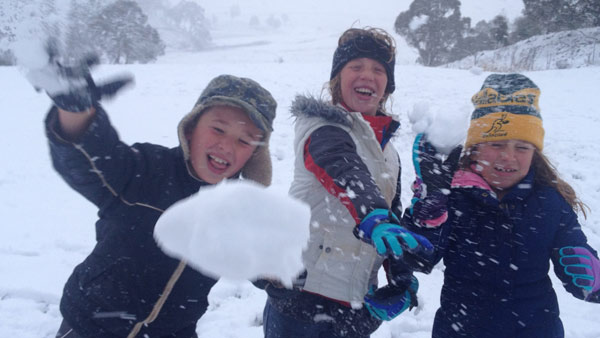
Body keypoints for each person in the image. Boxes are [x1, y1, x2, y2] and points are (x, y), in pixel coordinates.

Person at [25, 45, 277, 338]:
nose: (226, 146)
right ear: (191, 128)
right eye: (218, 129)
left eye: (245, 141)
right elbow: (89, 159)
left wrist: (280, 275)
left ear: (256, 155)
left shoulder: (238, 206)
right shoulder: (146, 171)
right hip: (92, 326)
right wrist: (76, 112)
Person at [257, 27, 433, 338]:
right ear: (337, 78)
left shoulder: (389, 152)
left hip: (356, 307)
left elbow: (391, 221)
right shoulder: (320, 126)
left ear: (387, 86)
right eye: (356, 67)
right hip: (302, 305)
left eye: (378, 69)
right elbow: (343, 167)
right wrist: (373, 216)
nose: (368, 75)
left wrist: (401, 275)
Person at [404, 73, 600, 338]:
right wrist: (432, 202)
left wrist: (591, 278)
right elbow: (416, 257)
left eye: (522, 147)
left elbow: (577, 259)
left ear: (535, 152)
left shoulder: (549, 201)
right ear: (474, 148)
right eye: (496, 144)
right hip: (460, 330)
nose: (508, 156)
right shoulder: (455, 196)